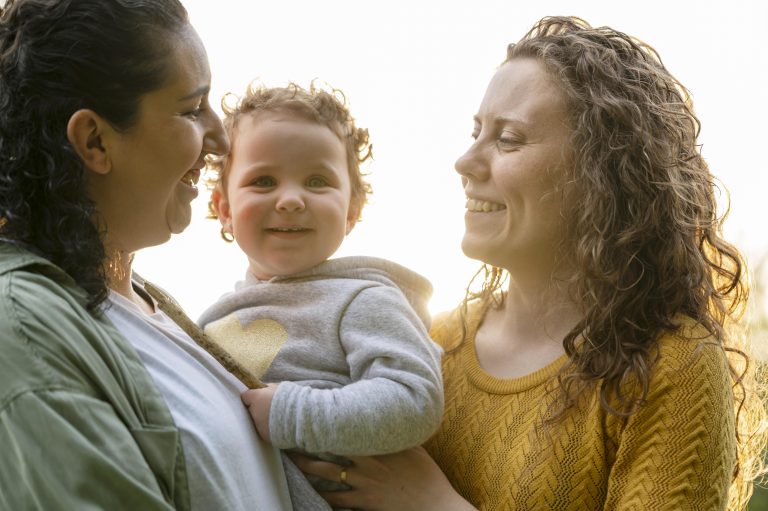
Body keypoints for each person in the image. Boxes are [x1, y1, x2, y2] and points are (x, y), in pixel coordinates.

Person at [291, 16, 768, 511]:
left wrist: (434, 504)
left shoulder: (670, 365)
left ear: (603, 173)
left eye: (509, 139)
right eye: (475, 131)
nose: (465, 161)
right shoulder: (429, 346)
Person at [0, 1, 297, 509]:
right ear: (95, 141)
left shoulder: (143, 301)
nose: (222, 139)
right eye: (190, 109)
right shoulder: (23, 331)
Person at [197, 82, 444, 510]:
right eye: (263, 180)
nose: (291, 199)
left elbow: (414, 399)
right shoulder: (211, 320)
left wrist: (292, 414)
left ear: (352, 210)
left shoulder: (363, 299)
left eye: (316, 180)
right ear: (225, 208)